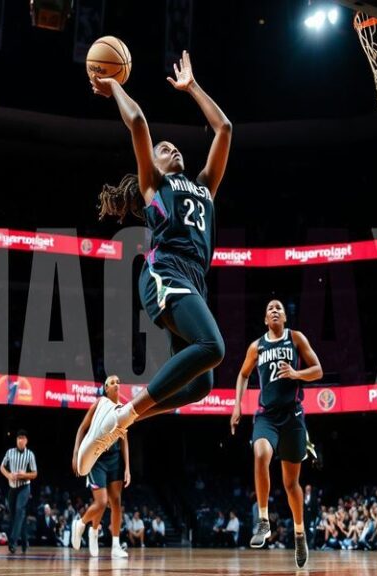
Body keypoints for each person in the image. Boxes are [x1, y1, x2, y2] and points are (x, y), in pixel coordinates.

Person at [77, 50, 232, 475]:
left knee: (201, 384)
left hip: (191, 283)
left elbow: (224, 128)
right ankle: (123, 418)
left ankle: (115, 424)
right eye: (164, 149)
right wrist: (113, 87)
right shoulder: (153, 186)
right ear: (153, 164)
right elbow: (140, 124)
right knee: (214, 347)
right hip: (163, 275)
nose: (172, 148)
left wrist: (192, 87)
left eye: (174, 146)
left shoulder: (204, 186)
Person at [230, 300, 323, 568]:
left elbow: (318, 370)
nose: (273, 309)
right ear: (265, 319)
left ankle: (299, 533)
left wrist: (296, 373)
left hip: (293, 416)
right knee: (260, 454)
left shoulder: (296, 338)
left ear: (284, 316)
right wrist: (237, 404)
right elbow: (243, 374)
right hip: (266, 416)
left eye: (278, 307)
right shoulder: (257, 346)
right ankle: (263, 520)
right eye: (269, 307)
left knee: (291, 484)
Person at [72, 375, 130, 558]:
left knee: (116, 503)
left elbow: (124, 441)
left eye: (118, 382)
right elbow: (82, 428)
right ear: (106, 388)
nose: (116, 384)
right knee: (101, 502)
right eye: (112, 382)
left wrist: (127, 467)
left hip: (115, 460)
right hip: (97, 459)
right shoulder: (99, 404)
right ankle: (82, 524)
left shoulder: (123, 409)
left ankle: (115, 546)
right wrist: (76, 454)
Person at [0, 429, 37, 554]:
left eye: (22, 438)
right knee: (16, 515)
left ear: (26, 441)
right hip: (12, 487)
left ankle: (12, 542)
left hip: (24, 487)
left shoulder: (30, 454)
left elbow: (34, 474)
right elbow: (1, 467)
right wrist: (8, 475)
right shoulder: (10, 452)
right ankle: (25, 541)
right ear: (16, 440)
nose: (20, 440)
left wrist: (24, 475)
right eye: (18, 438)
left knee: (19, 510)